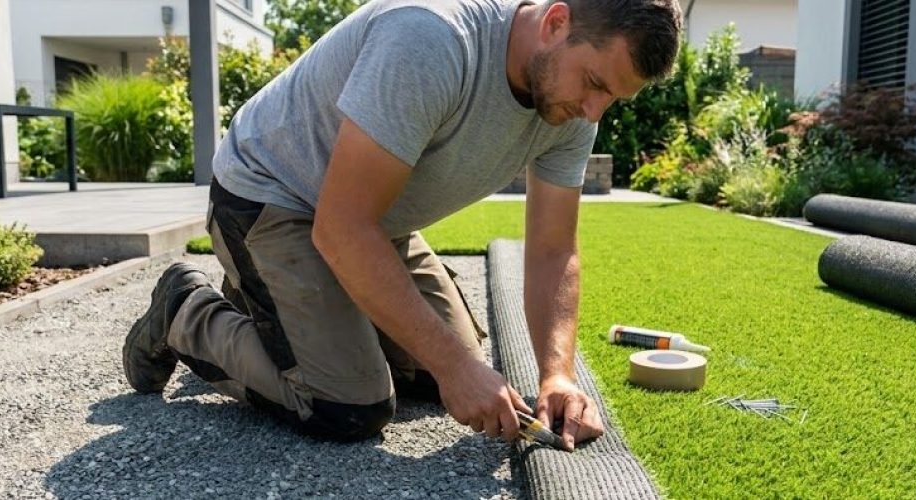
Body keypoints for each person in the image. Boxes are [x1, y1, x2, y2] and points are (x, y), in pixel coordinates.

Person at [124, 0, 681, 450]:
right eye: (595, 83)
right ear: (556, 22)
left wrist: (555, 374)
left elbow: (554, 249)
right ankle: (185, 310)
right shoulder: (431, 39)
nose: (594, 111)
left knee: (434, 379)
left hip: (370, 219)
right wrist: (456, 366)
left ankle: (282, 304)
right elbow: (341, 227)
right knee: (350, 403)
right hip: (271, 198)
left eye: (612, 97)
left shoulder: (570, 105)